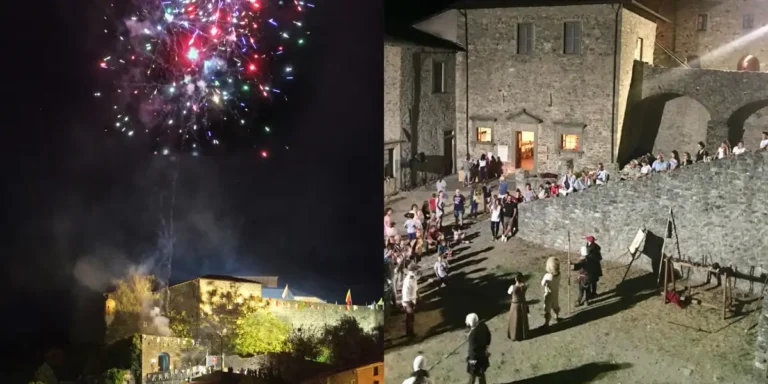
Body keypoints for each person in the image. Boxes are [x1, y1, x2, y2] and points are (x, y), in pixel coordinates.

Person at [466, 313, 491, 384]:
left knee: (472, 375)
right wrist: (486, 346)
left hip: (475, 359)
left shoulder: (472, 336)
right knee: (481, 373)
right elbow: (488, 336)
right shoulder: (483, 325)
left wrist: (471, 362)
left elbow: (472, 351)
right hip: (483, 355)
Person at [506, 274, 529, 341]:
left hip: (515, 305)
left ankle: (514, 335)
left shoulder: (512, 287)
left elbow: (509, 292)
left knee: (514, 320)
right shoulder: (525, 286)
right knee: (522, 320)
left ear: (515, 279)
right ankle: (523, 334)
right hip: (522, 304)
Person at [541, 257, 561, 328]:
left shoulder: (547, 276)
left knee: (547, 309)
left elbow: (542, 283)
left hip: (549, 294)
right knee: (556, 305)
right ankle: (556, 316)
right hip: (556, 293)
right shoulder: (559, 275)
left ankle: (546, 324)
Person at [401, 265, 419, 337]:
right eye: (416, 270)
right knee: (410, 318)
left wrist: (418, 295)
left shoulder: (413, 278)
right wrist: (408, 302)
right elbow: (405, 292)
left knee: (410, 317)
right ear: (413, 271)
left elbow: (415, 288)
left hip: (411, 300)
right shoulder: (409, 280)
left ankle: (409, 332)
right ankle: (410, 334)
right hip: (408, 301)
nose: (417, 271)